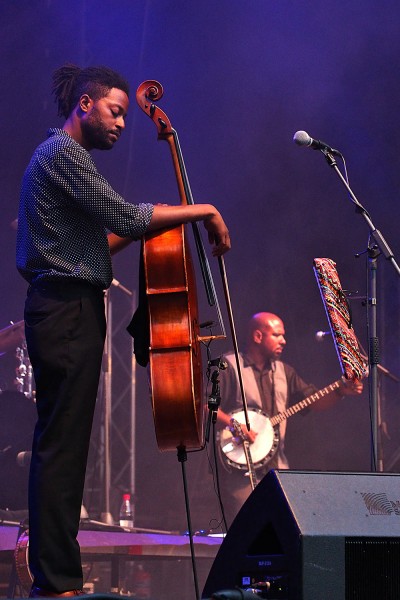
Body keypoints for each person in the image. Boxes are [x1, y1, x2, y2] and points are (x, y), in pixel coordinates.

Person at [16, 63, 230, 598]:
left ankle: (56, 576)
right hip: (65, 309)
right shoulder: (64, 154)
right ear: (84, 105)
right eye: (115, 112)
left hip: (69, 305)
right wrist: (203, 210)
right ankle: (56, 580)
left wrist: (152, 228)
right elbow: (125, 216)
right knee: (62, 447)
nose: (120, 124)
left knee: (65, 444)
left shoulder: (64, 158)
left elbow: (99, 240)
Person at [216, 312, 363, 527]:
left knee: (282, 531)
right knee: (246, 530)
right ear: (258, 336)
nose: (283, 341)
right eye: (276, 335)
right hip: (238, 471)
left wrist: (341, 391)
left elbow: (314, 402)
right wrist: (235, 425)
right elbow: (205, 407)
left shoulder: (285, 372)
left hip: (277, 469)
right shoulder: (228, 367)